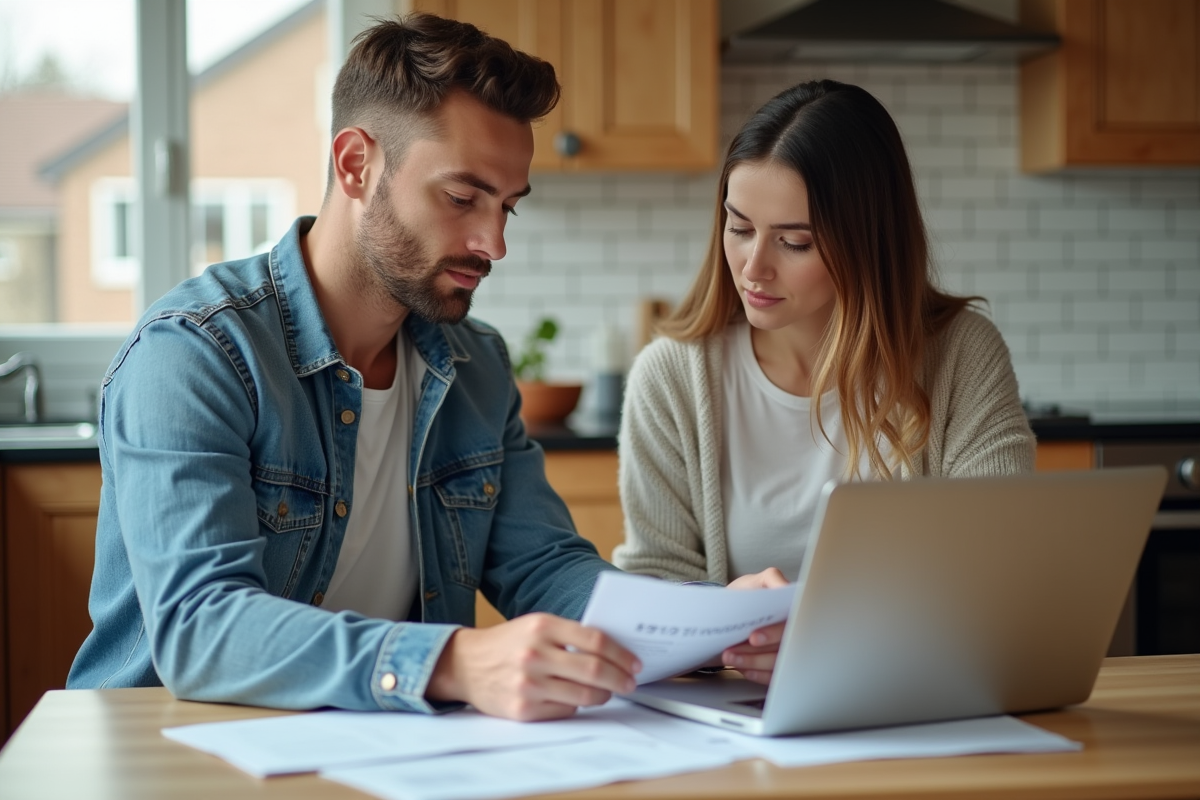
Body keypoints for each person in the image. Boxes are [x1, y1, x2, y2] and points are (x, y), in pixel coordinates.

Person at [67, 13, 642, 723]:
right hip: (173, 753)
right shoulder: (194, 354)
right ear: (355, 165)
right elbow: (201, 628)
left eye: (507, 208)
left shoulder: (476, 364)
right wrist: (453, 662)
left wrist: (708, 625)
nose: (492, 242)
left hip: (378, 750)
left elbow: (544, 568)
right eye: (462, 198)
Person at [614, 80, 1036, 685]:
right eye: (738, 227)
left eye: (795, 242)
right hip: (742, 724)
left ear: (867, 243)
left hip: (912, 703)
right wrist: (722, 626)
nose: (754, 267)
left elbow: (1001, 571)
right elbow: (651, 591)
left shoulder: (961, 356)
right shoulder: (674, 377)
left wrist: (838, 637)